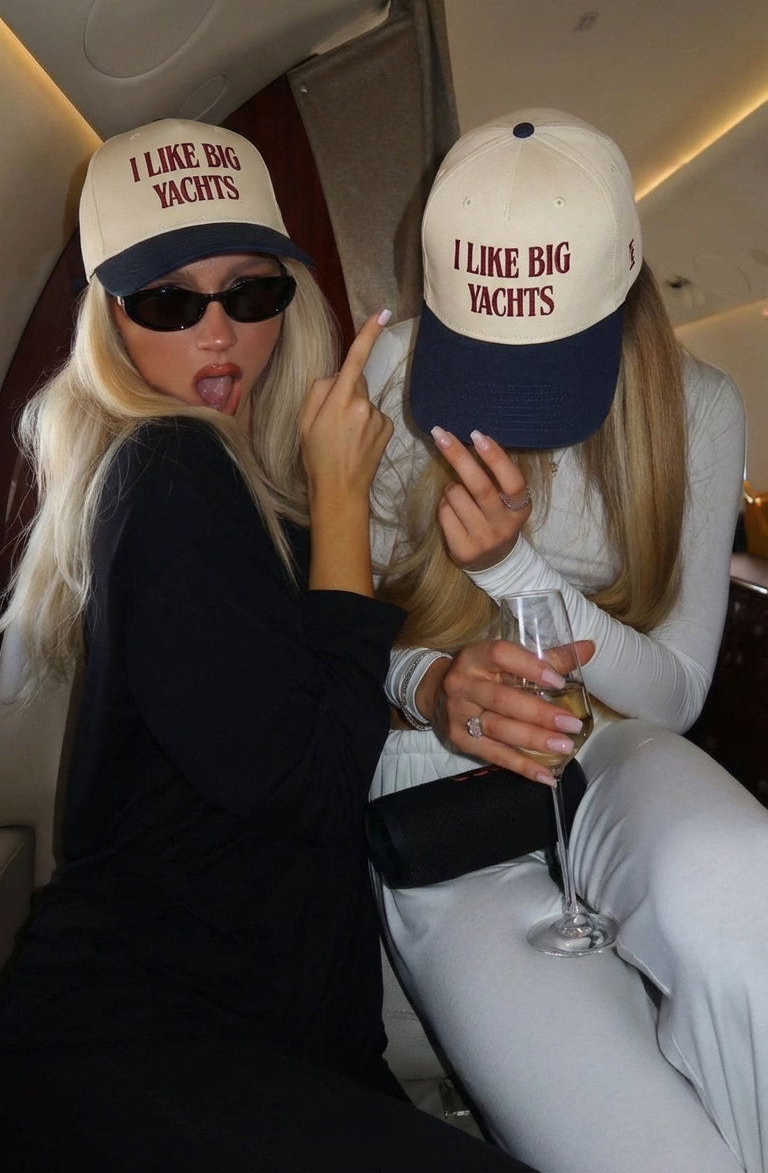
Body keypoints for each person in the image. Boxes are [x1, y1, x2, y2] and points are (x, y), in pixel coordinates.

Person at [0, 120, 537, 1172]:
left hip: (264, 1020)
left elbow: (294, 699)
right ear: (109, 317)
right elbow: (314, 784)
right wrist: (343, 498)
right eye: (170, 300)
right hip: (144, 1031)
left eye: (251, 292)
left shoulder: (246, 481)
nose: (219, 333)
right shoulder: (169, 471)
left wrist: (431, 684)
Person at [364, 110, 768, 1173]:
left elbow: (673, 691)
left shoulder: (700, 406)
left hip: (614, 738)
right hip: (436, 772)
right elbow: (339, 635)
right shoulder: (390, 372)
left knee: (747, 890)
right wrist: (432, 680)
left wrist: (517, 573)